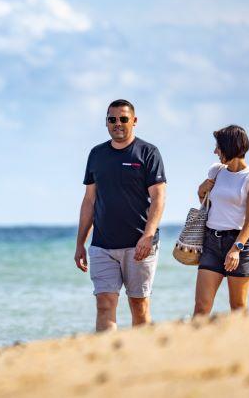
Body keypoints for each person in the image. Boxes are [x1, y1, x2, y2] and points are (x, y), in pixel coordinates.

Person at [74, 99, 167, 332]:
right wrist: (80, 243)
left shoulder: (148, 152)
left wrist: (148, 235)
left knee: (139, 305)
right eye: (112, 119)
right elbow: (89, 200)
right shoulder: (96, 154)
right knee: (104, 304)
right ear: (106, 122)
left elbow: (159, 198)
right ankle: (108, 359)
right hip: (102, 245)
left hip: (139, 245)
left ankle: (140, 358)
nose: (118, 124)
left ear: (134, 121)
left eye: (123, 119)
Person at [193, 125, 249, 316]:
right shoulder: (216, 171)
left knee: (238, 309)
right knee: (201, 307)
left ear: (230, 147)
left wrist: (236, 249)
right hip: (211, 243)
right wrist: (200, 190)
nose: (215, 151)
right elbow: (208, 204)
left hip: (239, 245)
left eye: (218, 146)